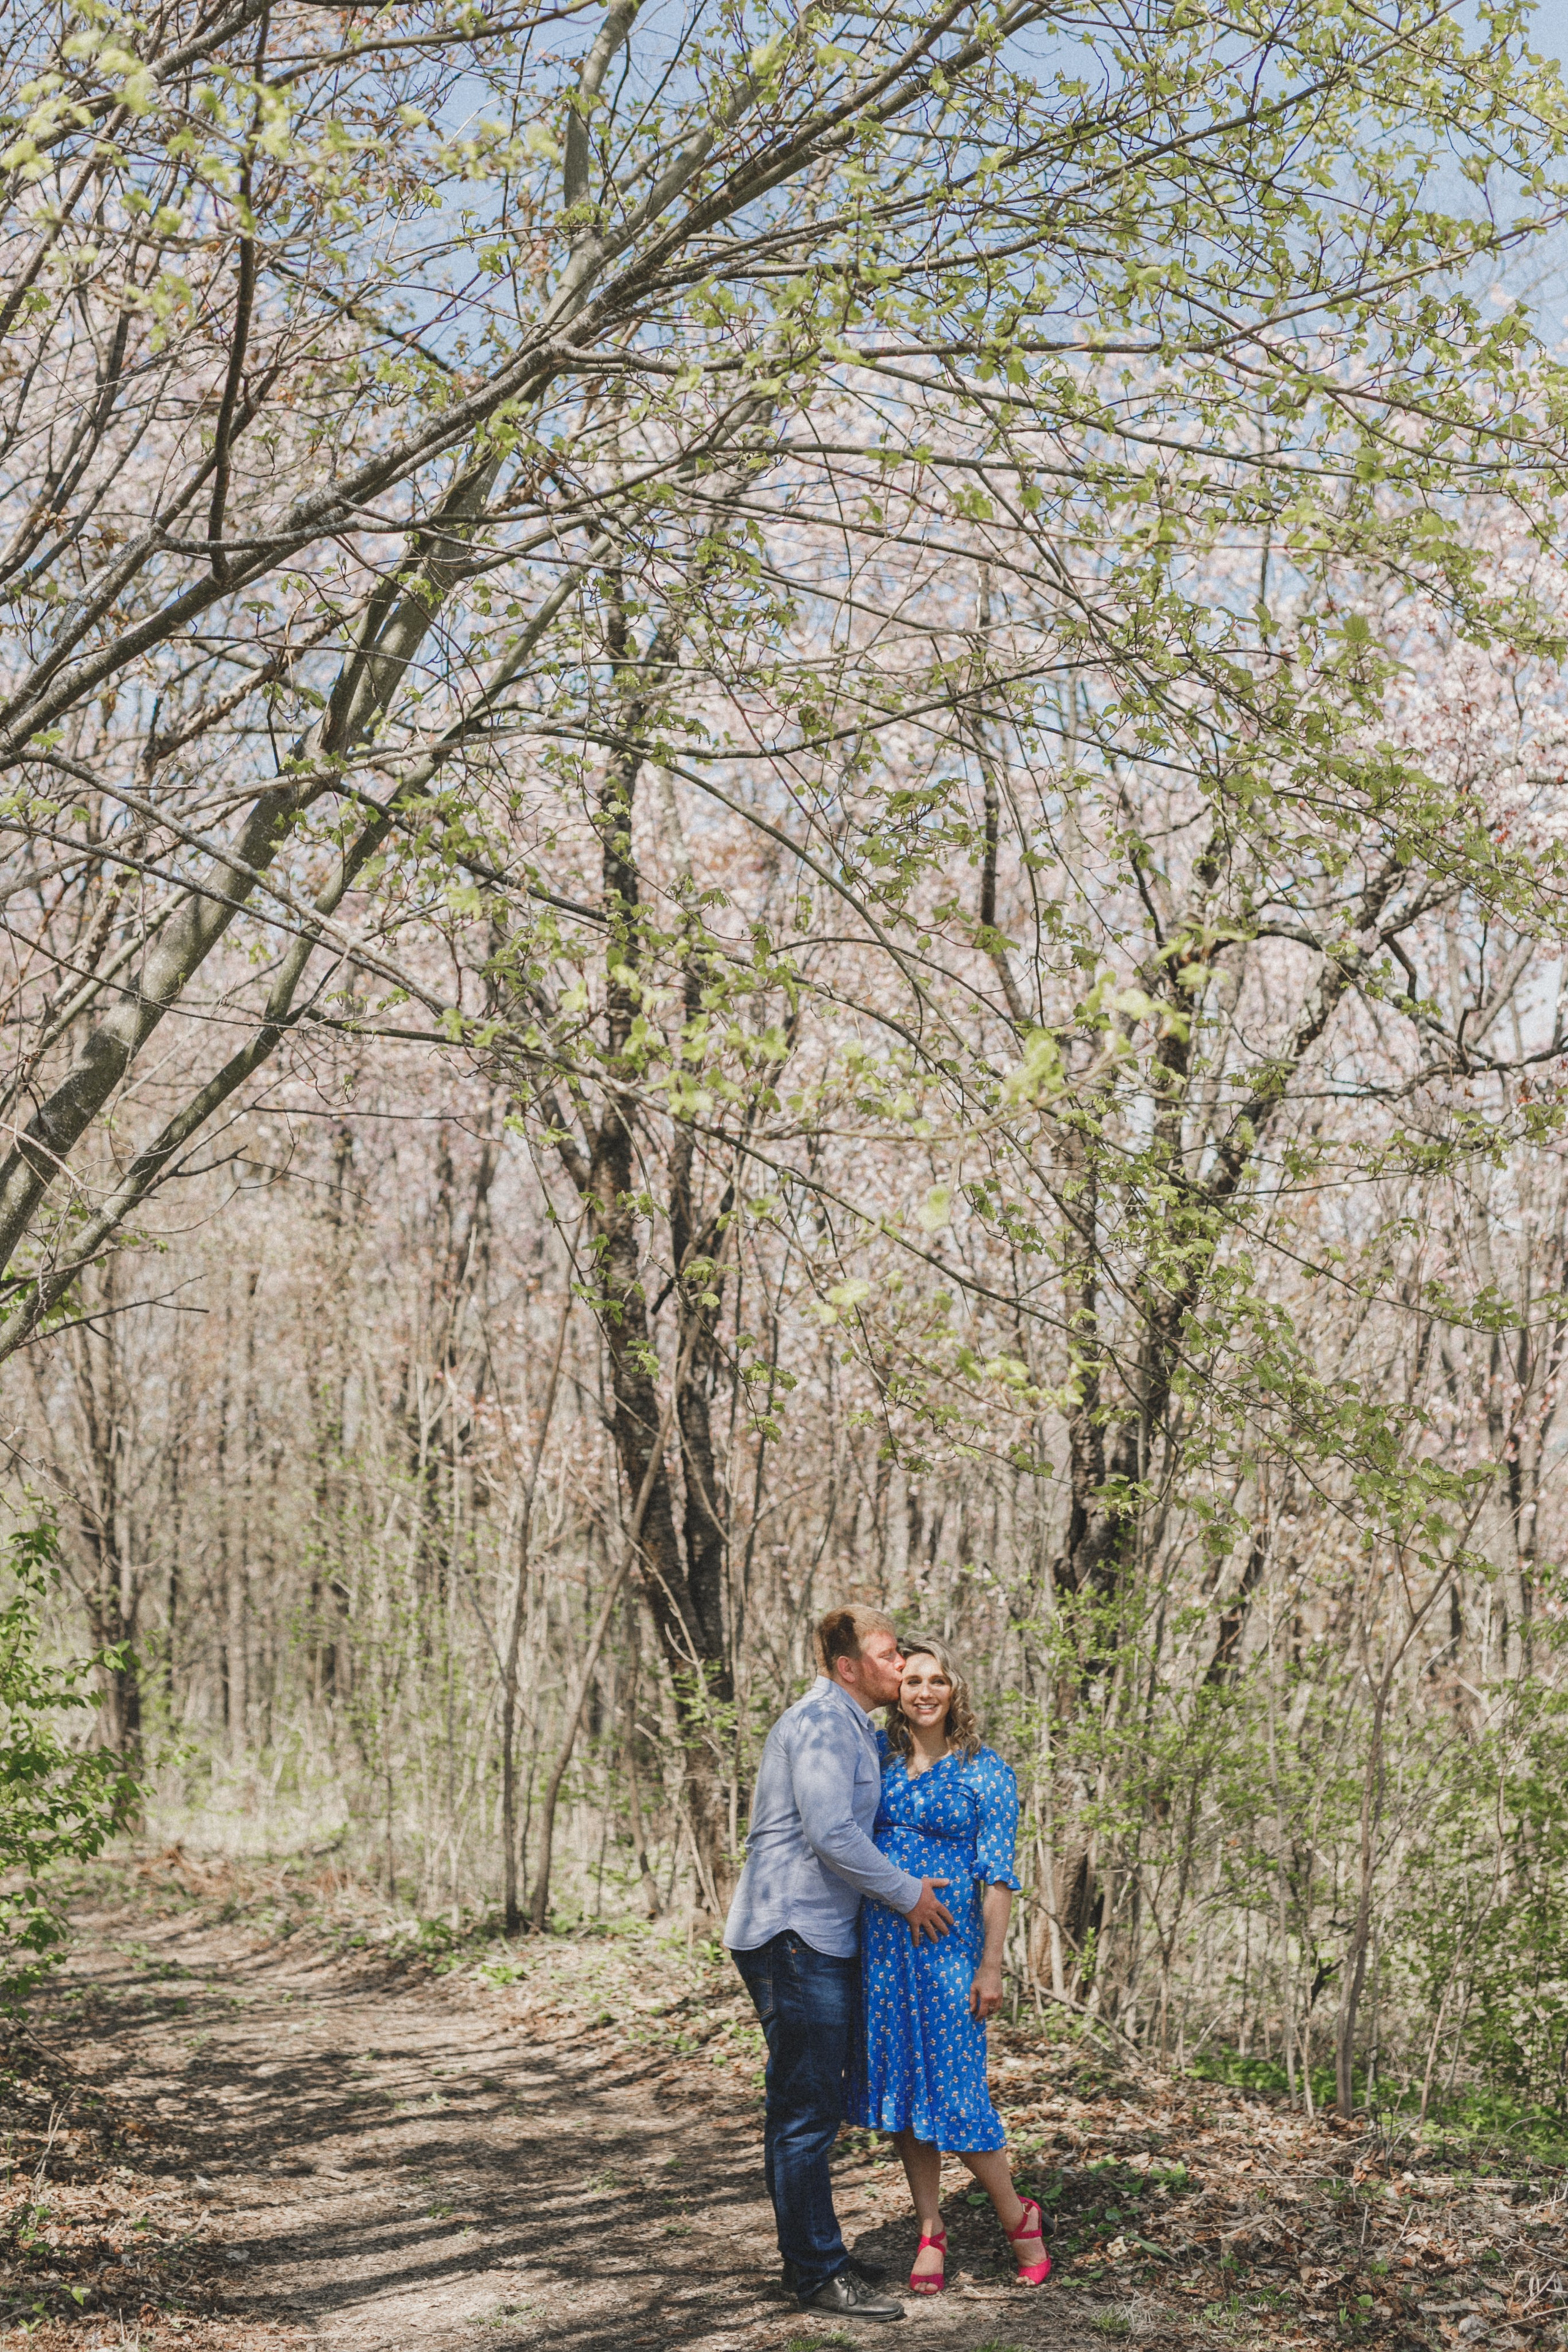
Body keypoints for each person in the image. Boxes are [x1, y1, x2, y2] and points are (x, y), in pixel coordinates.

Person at [724, 1605, 956, 2324]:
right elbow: (830, 1834)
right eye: (889, 1656)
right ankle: (818, 2273)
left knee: (810, 2107)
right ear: (848, 1666)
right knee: (804, 2114)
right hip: (794, 1934)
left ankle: (816, 2255)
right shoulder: (824, 1724)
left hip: (811, 1934)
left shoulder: (850, 1725)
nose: (900, 1666)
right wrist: (907, 1894)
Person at [850, 1635, 1052, 2295]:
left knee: (956, 2092)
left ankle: (1017, 2217)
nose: (925, 1691)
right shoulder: (876, 1758)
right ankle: (930, 2229)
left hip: (948, 1951)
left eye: (937, 1680)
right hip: (882, 1952)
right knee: (905, 2097)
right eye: (912, 1681)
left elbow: (998, 1879)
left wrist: (990, 1967)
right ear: (897, 1693)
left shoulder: (983, 1770)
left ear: (954, 1689)